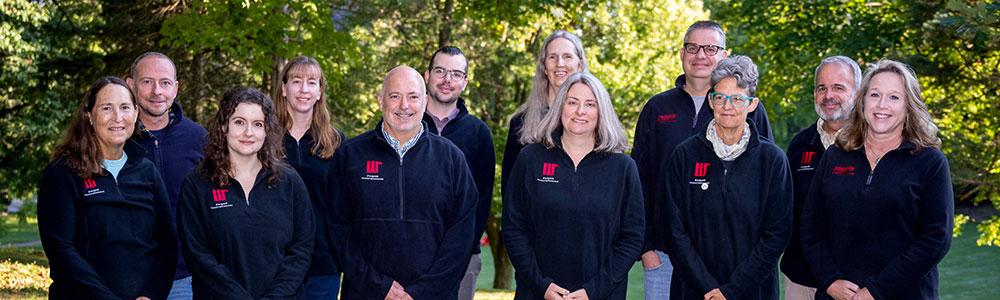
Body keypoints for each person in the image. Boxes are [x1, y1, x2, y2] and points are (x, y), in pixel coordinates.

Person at [630, 21, 773, 298]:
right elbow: (639, 180)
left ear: (725, 55)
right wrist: (646, 247)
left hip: (735, 257)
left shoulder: (747, 109)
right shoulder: (657, 108)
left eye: (711, 48)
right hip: (665, 254)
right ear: (682, 53)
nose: (701, 55)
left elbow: (764, 182)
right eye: (692, 47)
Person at [800, 59, 953, 300]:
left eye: (894, 97)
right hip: (838, 294)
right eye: (874, 95)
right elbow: (810, 229)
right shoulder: (836, 156)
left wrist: (876, 290)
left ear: (908, 106)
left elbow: (936, 239)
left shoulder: (930, 162)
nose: (882, 105)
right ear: (862, 102)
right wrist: (829, 279)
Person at [325, 66, 478, 299]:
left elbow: (461, 236)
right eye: (394, 96)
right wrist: (379, 286)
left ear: (425, 101)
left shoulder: (452, 159)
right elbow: (338, 231)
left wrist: (421, 292)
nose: (404, 105)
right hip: (366, 293)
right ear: (380, 101)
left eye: (413, 97)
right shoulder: (350, 156)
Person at [503, 72, 644, 300]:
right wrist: (542, 286)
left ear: (601, 112)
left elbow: (632, 238)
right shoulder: (530, 158)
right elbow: (513, 228)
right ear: (560, 107)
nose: (580, 111)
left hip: (601, 294)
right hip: (537, 293)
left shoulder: (623, 168)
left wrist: (593, 291)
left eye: (590, 104)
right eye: (572, 102)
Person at [663, 55, 791, 300]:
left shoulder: (772, 161)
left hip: (753, 291)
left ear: (752, 104)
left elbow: (776, 234)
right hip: (693, 290)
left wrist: (731, 291)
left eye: (737, 99)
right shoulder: (684, 155)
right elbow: (674, 230)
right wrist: (708, 288)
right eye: (720, 97)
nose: (727, 106)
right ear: (711, 101)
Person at [38, 76, 177, 299]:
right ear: (89, 116)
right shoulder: (62, 173)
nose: (117, 117)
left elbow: (167, 243)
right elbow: (61, 250)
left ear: (135, 113)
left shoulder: (147, 171)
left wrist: (151, 294)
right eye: (106, 108)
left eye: (124, 107)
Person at [177, 87, 314, 299]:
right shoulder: (197, 185)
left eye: (258, 124)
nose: (248, 132)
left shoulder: (289, 182)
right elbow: (198, 255)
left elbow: (302, 249)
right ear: (224, 126)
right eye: (239, 122)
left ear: (267, 130)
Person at [127, 51, 208, 299]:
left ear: (176, 88)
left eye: (165, 82)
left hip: (184, 279)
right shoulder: (116, 138)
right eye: (147, 81)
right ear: (130, 85)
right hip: (127, 278)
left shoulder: (199, 139)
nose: (157, 91)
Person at [779, 56, 861, 300]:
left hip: (853, 284)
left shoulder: (872, 145)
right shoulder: (799, 145)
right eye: (821, 88)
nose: (828, 95)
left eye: (838, 87)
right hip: (802, 280)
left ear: (858, 93)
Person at [420, 46, 496, 300]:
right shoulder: (406, 124)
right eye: (440, 71)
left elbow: (483, 198)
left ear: (465, 82)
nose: (447, 80)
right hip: (410, 252)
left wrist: (461, 247)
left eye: (455, 74)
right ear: (427, 75)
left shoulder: (478, 133)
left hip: (463, 257)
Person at [275, 56, 345, 299]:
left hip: (323, 265)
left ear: (319, 91)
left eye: (312, 82)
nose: (304, 89)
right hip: (274, 263)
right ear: (284, 88)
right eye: (296, 81)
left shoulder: (336, 143)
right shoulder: (263, 139)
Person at [501, 30, 588, 197]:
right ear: (544, 68)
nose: (560, 63)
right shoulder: (521, 122)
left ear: (580, 64)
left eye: (567, 56)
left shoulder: (592, 120)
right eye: (552, 57)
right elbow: (510, 191)